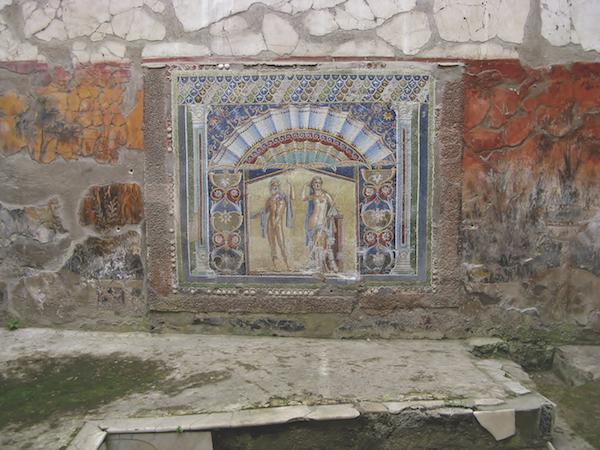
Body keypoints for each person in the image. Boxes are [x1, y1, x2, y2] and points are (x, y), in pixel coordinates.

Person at [252, 178, 295, 271]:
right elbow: (265, 212)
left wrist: (291, 185)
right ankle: (275, 265)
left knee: (281, 244)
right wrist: (252, 216)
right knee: (272, 246)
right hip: (270, 223)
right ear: (270, 187)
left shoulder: (283, 197)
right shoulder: (269, 200)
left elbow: (292, 197)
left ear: (279, 187)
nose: (275, 187)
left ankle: (288, 265)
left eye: (277, 186)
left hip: (278, 223)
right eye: (273, 185)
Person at [302, 176, 339, 273]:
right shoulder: (313, 196)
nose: (317, 185)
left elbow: (334, 206)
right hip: (313, 221)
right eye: (315, 183)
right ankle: (318, 267)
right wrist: (304, 187)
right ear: (312, 184)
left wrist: (331, 213)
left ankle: (328, 266)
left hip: (322, 221)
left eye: (319, 182)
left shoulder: (326, 195)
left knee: (325, 244)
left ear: (321, 183)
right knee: (315, 245)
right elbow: (303, 198)